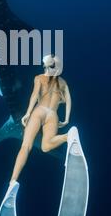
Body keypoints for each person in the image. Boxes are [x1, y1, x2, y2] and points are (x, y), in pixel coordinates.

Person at [10, 55, 71, 185]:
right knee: (46, 147)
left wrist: (27, 113)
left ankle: (13, 180)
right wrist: (66, 120)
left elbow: (34, 95)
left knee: (26, 146)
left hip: (40, 111)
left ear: (45, 65)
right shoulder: (63, 83)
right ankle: (68, 136)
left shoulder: (39, 78)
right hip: (53, 115)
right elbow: (69, 101)